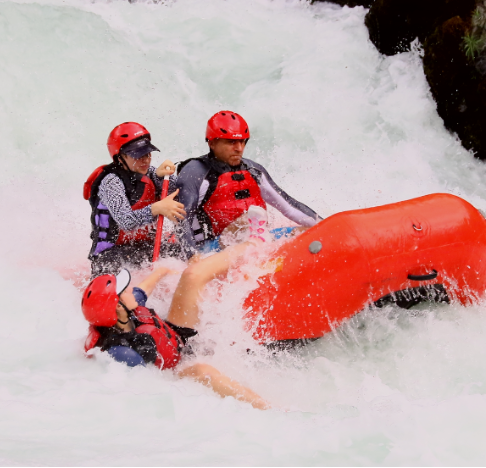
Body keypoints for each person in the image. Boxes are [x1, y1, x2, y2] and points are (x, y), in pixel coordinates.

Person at [81, 267, 269, 410]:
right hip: (172, 374)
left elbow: (143, 289)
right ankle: (266, 408)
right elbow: (146, 384)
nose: (131, 289)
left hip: (176, 345)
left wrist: (162, 271)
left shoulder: (124, 313)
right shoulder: (122, 352)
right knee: (205, 371)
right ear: (118, 306)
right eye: (125, 290)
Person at [175, 110, 321, 257]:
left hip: (254, 239)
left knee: (308, 232)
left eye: (242, 141)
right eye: (231, 142)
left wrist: (325, 224)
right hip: (209, 248)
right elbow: (181, 219)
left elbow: (289, 207)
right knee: (246, 221)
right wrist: (191, 257)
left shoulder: (253, 170)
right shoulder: (194, 172)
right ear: (212, 143)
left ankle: (260, 243)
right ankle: (256, 242)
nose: (239, 148)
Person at [83, 122, 186, 277]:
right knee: (116, 267)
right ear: (120, 157)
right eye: (138, 155)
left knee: (183, 252)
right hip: (110, 254)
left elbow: (178, 193)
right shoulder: (111, 182)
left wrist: (162, 177)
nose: (145, 160)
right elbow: (126, 221)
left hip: (142, 246)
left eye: (148, 154)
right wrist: (156, 208)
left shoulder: (148, 171)